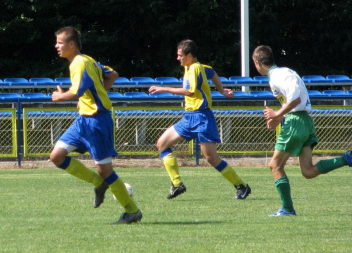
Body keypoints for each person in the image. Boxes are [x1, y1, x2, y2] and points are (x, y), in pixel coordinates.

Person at [50, 26, 142, 224]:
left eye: (60, 42)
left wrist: (59, 96)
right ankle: (98, 183)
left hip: (97, 121)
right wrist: (96, 95)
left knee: (105, 170)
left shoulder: (80, 63)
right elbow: (112, 74)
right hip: (83, 120)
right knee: (56, 156)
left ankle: (132, 211)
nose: (56, 46)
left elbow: (75, 92)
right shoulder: (86, 60)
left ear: (71, 44)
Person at [252, 45, 352, 216]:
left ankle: (288, 209)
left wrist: (277, 114)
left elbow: (294, 99)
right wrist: (279, 118)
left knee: (275, 166)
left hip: (296, 122)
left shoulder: (277, 75)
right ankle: (346, 159)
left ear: (257, 62)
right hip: (305, 121)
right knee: (307, 171)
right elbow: (296, 101)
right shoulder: (284, 72)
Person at [149, 39, 251, 200]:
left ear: (189, 55)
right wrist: (222, 90)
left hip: (202, 117)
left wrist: (163, 88)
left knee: (211, 158)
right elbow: (212, 72)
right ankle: (177, 184)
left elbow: (189, 91)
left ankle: (242, 186)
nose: (178, 58)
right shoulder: (195, 67)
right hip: (189, 117)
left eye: (180, 55)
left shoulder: (195, 68)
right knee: (162, 144)